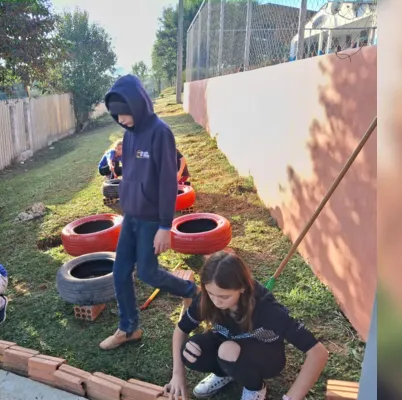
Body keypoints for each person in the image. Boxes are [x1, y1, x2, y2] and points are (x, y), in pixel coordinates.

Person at [99, 74, 198, 350]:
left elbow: (168, 181)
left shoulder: (160, 132)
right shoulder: (128, 136)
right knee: (120, 272)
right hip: (130, 215)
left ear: (138, 104)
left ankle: (191, 292)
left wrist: (165, 226)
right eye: (116, 116)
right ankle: (129, 328)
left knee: (148, 273)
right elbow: (130, 174)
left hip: (152, 219)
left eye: (125, 114)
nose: (121, 121)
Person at [165, 251, 328, 400]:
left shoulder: (267, 310)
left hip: (266, 356)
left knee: (227, 349)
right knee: (191, 350)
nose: (216, 301)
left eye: (224, 296)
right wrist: (177, 374)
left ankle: (255, 387)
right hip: (228, 345)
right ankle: (225, 372)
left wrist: (290, 398)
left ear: (242, 287)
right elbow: (181, 329)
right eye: (210, 293)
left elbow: (318, 352)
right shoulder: (207, 299)